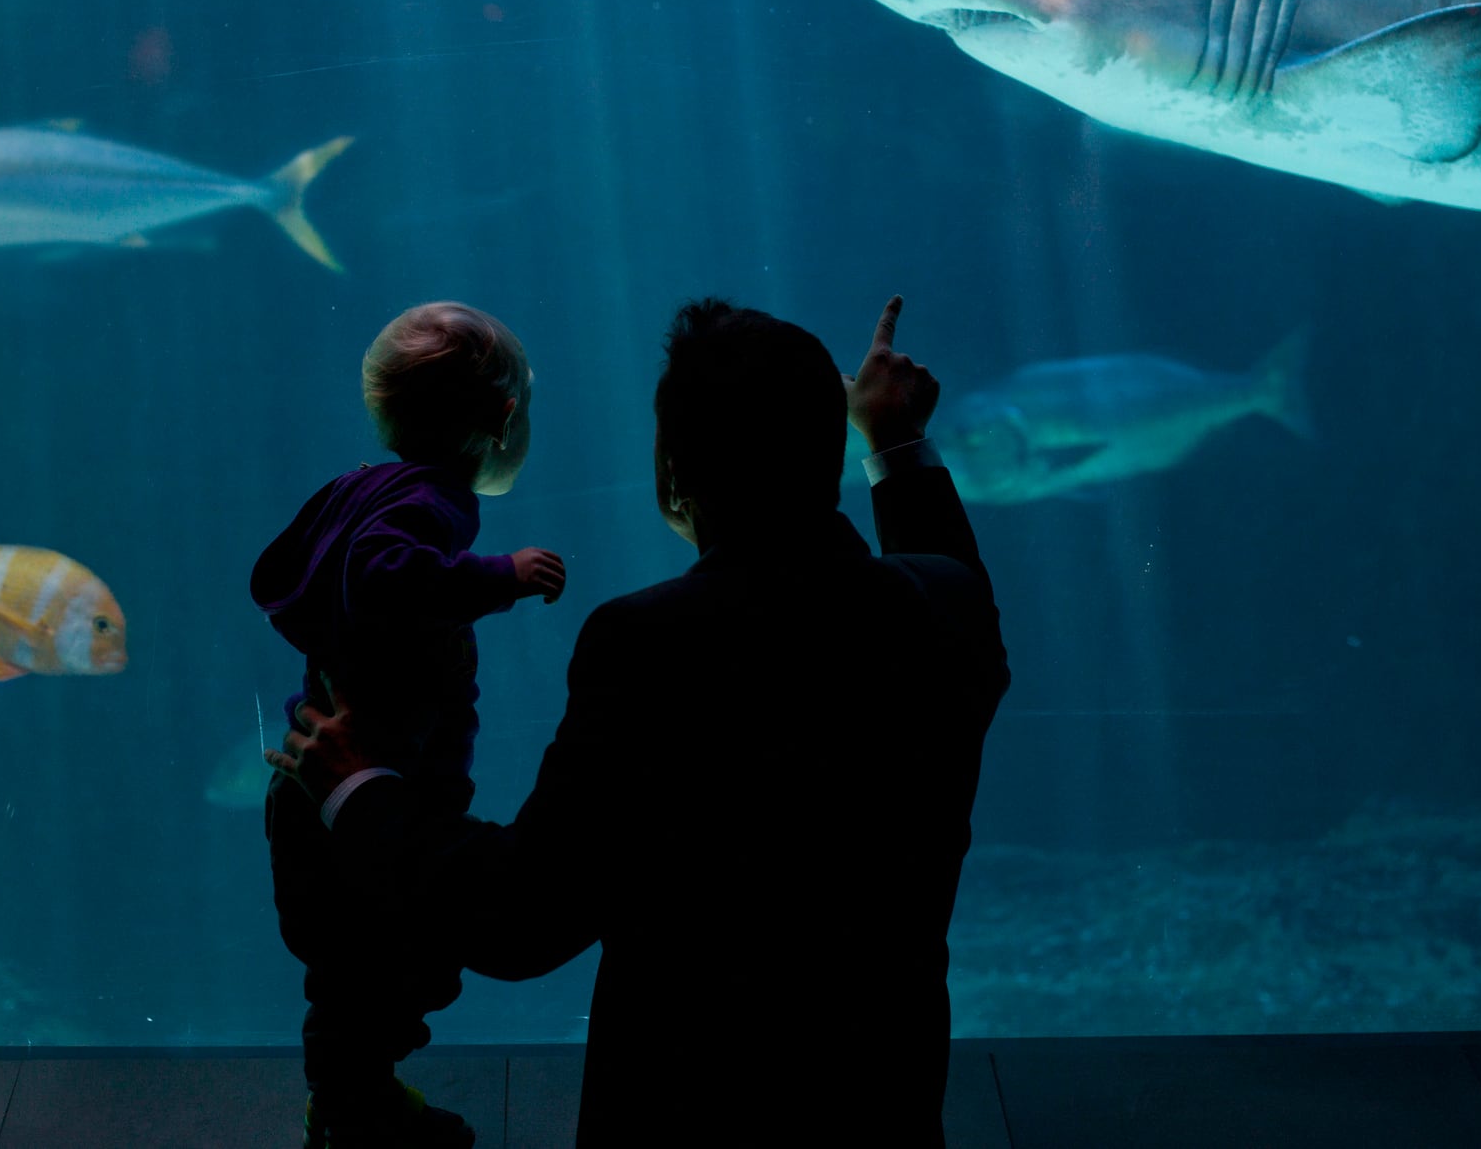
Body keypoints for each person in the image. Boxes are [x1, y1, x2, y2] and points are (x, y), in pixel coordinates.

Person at [271, 295, 1009, 1147]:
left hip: (683, 1113)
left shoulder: (648, 642)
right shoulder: (943, 616)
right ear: (829, 448)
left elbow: (523, 918)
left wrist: (356, 787)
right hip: (879, 1105)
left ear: (669, 470)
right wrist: (893, 437)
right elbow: (952, 569)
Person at [251, 301, 568, 1149]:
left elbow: (296, 572)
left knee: (355, 974)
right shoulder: (432, 504)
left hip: (318, 784)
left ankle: (355, 1097)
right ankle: (353, 1112)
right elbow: (384, 575)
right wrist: (498, 575)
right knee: (388, 969)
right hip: (373, 794)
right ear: (504, 420)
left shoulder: (365, 488)